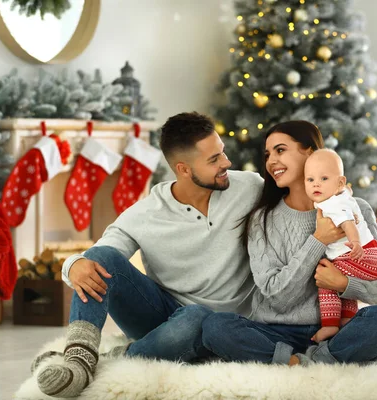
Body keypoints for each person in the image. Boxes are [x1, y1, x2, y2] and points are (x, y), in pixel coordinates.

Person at [34, 112, 264, 398]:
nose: (226, 163)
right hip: (164, 318)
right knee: (103, 258)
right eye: (214, 159)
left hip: (227, 325)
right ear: (183, 169)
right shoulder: (146, 213)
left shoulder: (251, 187)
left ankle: (114, 359)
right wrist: (73, 264)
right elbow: (100, 256)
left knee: (199, 319)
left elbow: (297, 202)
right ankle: (77, 361)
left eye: (222, 153)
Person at [201, 121, 377, 367]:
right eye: (268, 154)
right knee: (216, 327)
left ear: (309, 151)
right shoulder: (263, 220)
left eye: (280, 150)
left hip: (337, 331)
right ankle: (304, 361)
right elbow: (276, 298)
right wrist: (318, 240)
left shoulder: (356, 209)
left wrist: (344, 284)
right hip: (274, 333)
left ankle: (314, 360)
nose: (271, 161)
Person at [304, 149, 377, 343]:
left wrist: (356, 243)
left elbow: (347, 222)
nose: (316, 184)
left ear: (340, 182)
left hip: (360, 255)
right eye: (310, 180)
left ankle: (330, 325)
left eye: (324, 179)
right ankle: (348, 320)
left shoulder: (331, 205)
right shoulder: (343, 194)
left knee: (326, 277)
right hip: (371, 254)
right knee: (343, 284)